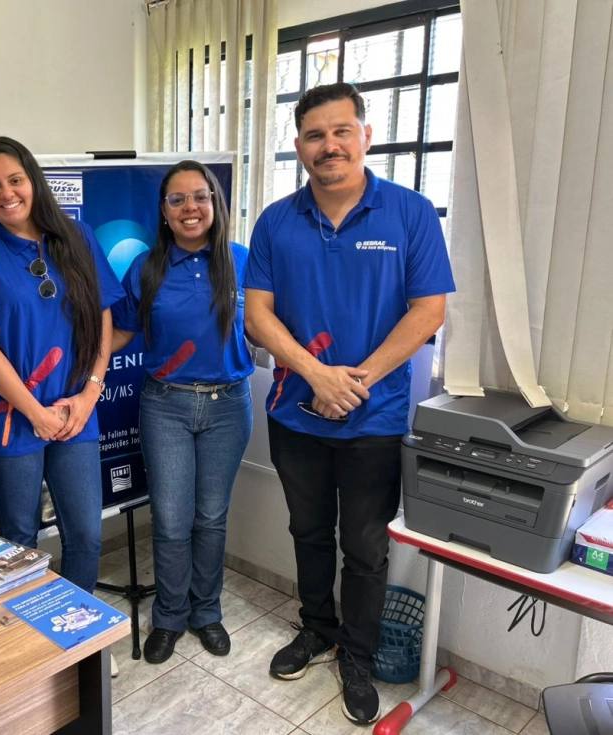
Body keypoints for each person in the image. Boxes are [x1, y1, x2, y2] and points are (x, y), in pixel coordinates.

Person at [243, 83, 455, 726]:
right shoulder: (276, 221)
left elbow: (429, 311)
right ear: (299, 145)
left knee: (365, 548)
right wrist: (315, 374)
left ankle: (357, 657)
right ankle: (316, 628)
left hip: (376, 419)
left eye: (341, 131)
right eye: (315, 134)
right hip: (294, 413)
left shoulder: (410, 213)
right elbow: (257, 316)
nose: (328, 145)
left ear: (366, 135)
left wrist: (353, 382)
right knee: (308, 532)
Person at [0, 136, 123, 597]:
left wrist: (90, 394)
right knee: (19, 540)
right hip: (10, 417)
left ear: (34, 181)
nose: (6, 193)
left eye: (15, 180)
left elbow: (102, 317)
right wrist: (35, 413)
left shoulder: (77, 236)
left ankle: (76, 630)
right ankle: (27, 636)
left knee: (86, 534)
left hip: (75, 411)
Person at [112, 161, 253, 664]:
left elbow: (270, 326)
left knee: (211, 518)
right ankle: (169, 616)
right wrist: (77, 366)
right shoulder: (146, 267)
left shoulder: (242, 261)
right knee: (171, 520)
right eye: (177, 199)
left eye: (200, 196)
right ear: (164, 210)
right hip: (165, 406)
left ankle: (206, 612)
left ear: (215, 203)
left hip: (228, 407)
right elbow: (120, 331)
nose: (190, 207)